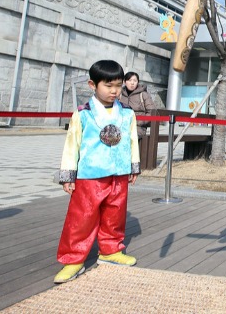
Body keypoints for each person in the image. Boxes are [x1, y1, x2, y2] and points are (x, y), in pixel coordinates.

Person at [54, 60, 140, 284]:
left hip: (118, 173)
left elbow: (132, 141)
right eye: (108, 85)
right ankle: (73, 259)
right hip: (90, 175)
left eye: (118, 86)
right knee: (82, 218)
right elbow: (72, 144)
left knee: (115, 214)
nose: (114, 91)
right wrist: (68, 175)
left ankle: (111, 249)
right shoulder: (83, 114)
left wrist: (133, 166)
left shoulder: (128, 114)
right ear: (93, 85)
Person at [119, 71, 156, 140]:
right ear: (124, 82)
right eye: (129, 80)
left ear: (137, 82)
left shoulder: (143, 94)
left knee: (129, 138)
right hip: (121, 125)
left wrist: (139, 122)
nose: (132, 83)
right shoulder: (120, 94)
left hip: (138, 127)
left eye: (135, 81)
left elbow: (152, 112)